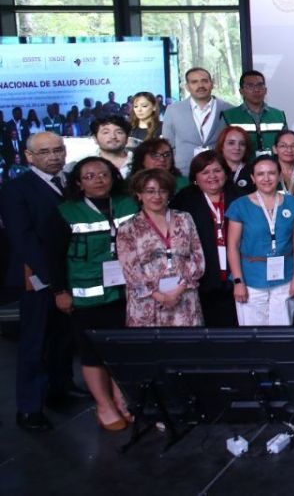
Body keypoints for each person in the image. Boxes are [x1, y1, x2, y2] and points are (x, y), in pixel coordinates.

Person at [50, 157, 137, 430]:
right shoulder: (66, 211)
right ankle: (104, 405)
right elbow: (53, 255)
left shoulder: (127, 204)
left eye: (103, 174)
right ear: (78, 183)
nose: (98, 180)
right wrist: (59, 290)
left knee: (122, 350)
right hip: (86, 296)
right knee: (92, 353)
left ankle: (122, 399)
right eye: (90, 176)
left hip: (125, 291)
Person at [1, 132, 76, 432]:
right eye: (45, 152)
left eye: (58, 150)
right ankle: (29, 408)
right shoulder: (15, 189)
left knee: (64, 337)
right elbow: (23, 239)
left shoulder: (71, 183)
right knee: (35, 342)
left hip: (73, 273)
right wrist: (54, 280)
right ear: (29, 157)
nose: (54, 156)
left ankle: (61, 389)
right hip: (38, 277)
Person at [116, 168, 204, 327]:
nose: (156, 196)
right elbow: (130, 270)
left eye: (162, 191)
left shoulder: (184, 219)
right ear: (139, 194)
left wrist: (178, 290)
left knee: (186, 348)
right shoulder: (127, 228)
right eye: (150, 191)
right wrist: (160, 296)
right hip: (148, 302)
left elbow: (197, 257)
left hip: (183, 297)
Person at [225, 155, 294, 326]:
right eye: (260, 174)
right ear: (253, 178)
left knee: (283, 334)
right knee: (253, 335)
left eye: (271, 173)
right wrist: (238, 281)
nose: (266, 178)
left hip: (285, 276)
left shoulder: (293, 203)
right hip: (251, 278)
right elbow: (232, 246)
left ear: (279, 176)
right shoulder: (240, 206)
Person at [169, 150, 240, 327]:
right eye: (205, 172)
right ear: (195, 177)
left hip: (237, 277)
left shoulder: (241, 196)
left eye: (217, 170)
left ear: (226, 172)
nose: (212, 176)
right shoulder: (184, 200)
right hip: (201, 279)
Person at [221, 70, 288, 157]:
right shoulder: (229, 116)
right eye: (250, 86)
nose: (256, 90)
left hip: (273, 168)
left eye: (260, 85)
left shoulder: (279, 115)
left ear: (265, 90)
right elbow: (222, 148)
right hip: (242, 168)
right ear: (241, 91)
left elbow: (286, 143)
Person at [216, 125, 253, 194]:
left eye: (242, 144)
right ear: (221, 146)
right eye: (231, 143)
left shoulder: (253, 171)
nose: (237, 148)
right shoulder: (213, 171)